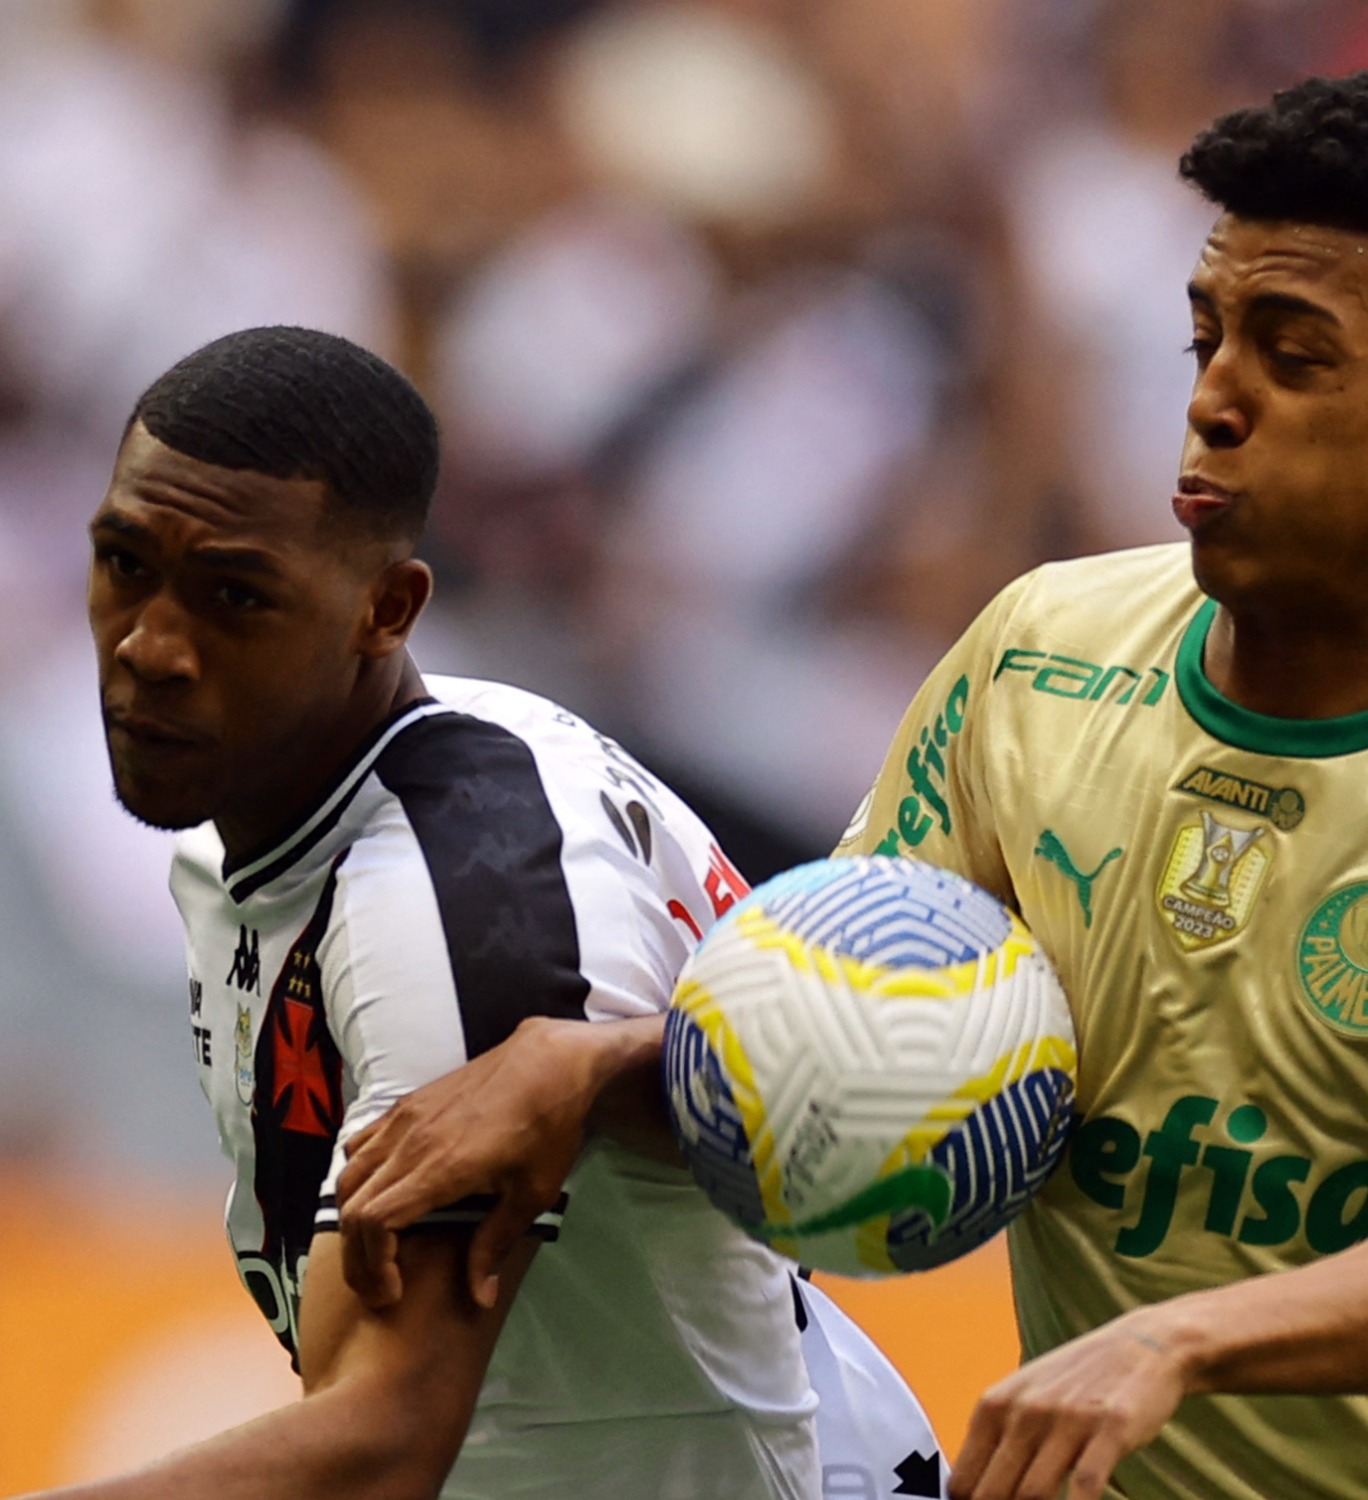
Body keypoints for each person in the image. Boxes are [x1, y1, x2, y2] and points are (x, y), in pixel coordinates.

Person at [340, 71, 1368, 1500]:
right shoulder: (1037, 665)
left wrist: (1174, 1341)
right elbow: (841, 1032)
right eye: (1206, 337)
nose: (1215, 399)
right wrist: (595, 1064)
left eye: (1294, 356)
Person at [50, 326, 936, 1500]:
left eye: (234, 597)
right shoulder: (300, 793)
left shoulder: (454, 901)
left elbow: (386, 1435)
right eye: (124, 564)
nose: (150, 646)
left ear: (387, 609)